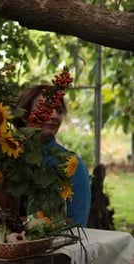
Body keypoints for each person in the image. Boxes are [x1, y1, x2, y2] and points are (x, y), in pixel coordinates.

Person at [15, 84, 91, 227]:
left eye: (59, 110)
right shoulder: (7, 158)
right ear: (24, 115)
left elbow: (77, 227)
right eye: (46, 107)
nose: (55, 115)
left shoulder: (72, 165)